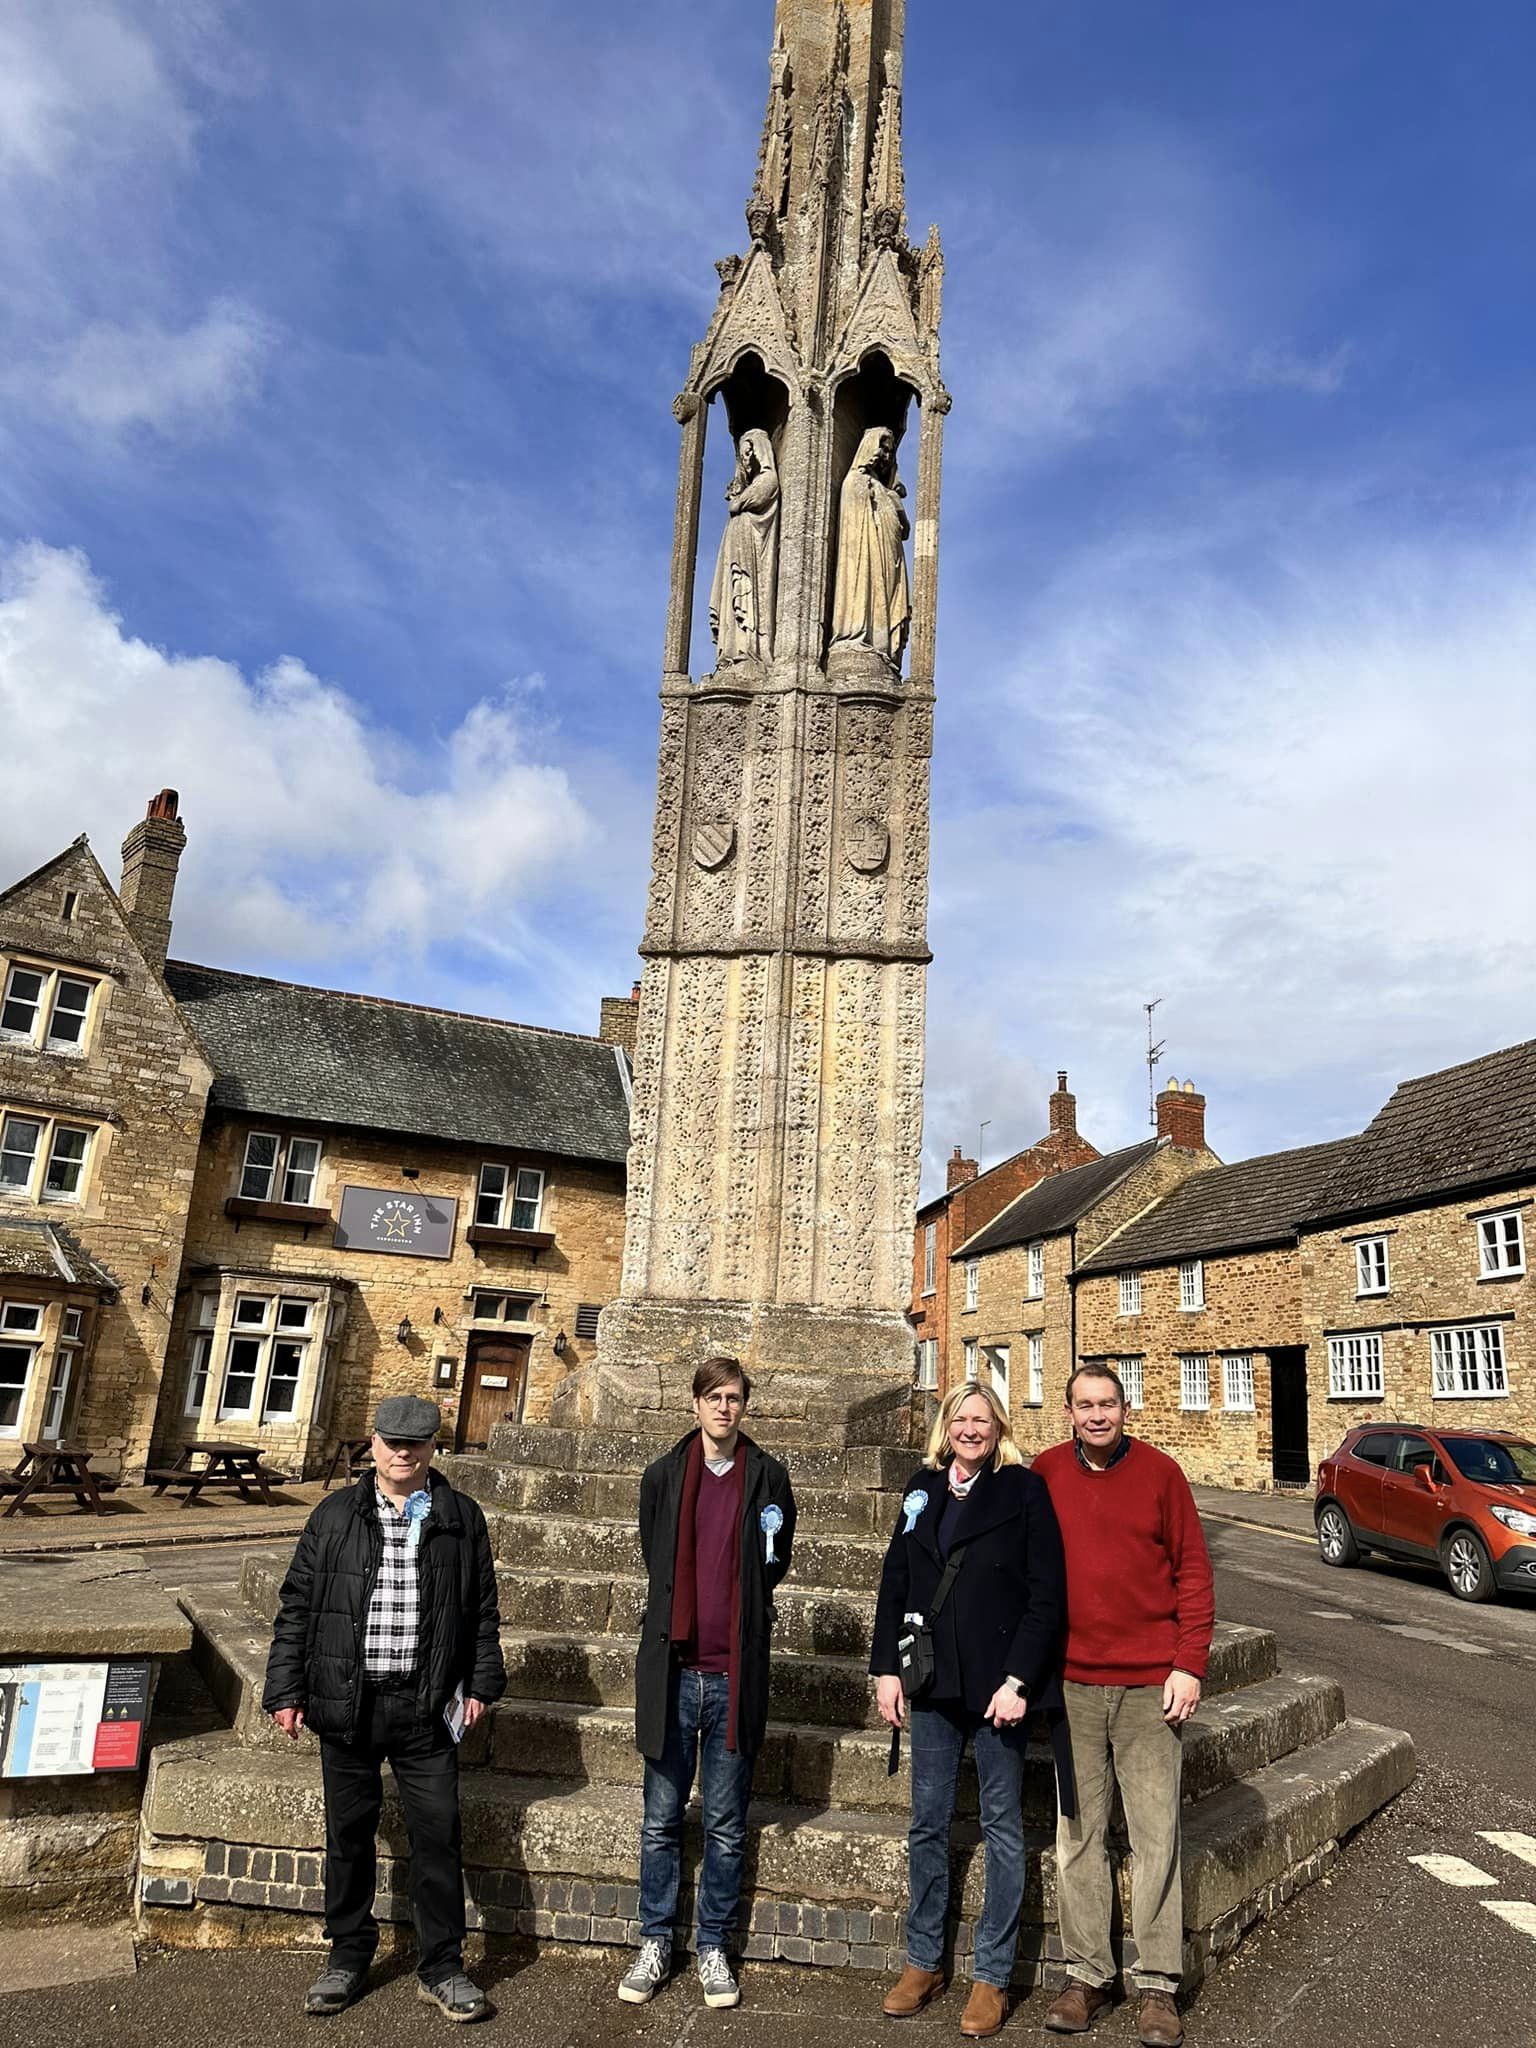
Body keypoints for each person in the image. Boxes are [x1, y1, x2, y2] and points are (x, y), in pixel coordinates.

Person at [263, 1396, 505, 2023]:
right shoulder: (334, 1515)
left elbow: (480, 1610)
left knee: (437, 1835)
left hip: (428, 1707)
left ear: (433, 1447)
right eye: (392, 1441)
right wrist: (285, 1689)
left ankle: (442, 1967)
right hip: (349, 1700)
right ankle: (347, 1955)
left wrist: (480, 1682)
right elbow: (298, 1607)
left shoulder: (461, 1517)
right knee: (348, 1835)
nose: (404, 1452)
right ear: (372, 1444)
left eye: (416, 1442)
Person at [870, 1383, 1069, 2039]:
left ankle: (991, 1976)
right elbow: (895, 1578)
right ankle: (924, 1961)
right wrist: (884, 1671)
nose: (971, 1429)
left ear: (998, 1427)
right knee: (927, 1824)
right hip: (930, 1683)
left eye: (982, 1419)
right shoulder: (921, 1486)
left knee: (1002, 1827)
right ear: (945, 1426)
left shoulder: (1022, 1490)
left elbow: (1047, 1595)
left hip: (996, 1688)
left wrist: (1019, 1681)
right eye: (961, 1418)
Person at [1033, 1366, 1215, 2048]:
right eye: (1085, 1405)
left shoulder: (1163, 1475)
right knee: (1078, 1835)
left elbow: (1193, 1571)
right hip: (1073, 1685)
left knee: (1155, 1833)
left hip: (1148, 1687)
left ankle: (1159, 1985)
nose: (1097, 1415)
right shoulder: (1045, 1472)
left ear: (1125, 1408)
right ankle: (1086, 1976)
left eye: (1107, 1404)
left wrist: (1188, 1663)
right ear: (1069, 1411)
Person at [617, 1357, 797, 2010]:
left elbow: (775, 1559)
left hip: (733, 1674)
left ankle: (714, 1945)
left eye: (735, 1398)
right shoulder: (664, 1475)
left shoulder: (767, 1476)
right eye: (714, 1397)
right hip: (675, 1672)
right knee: (660, 1820)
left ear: (745, 1406)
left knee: (723, 1824)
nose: (725, 1408)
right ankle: (656, 1939)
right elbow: (654, 1556)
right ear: (694, 1404)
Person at [830, 423, 911, 665]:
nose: (885, 456)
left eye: (889, 451)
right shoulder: (857, 480)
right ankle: (857, 634)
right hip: (864, 548)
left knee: (885, 592)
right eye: (882, 448)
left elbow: (905, 530)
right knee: (865, 587)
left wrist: (894, 503)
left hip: (888, 550)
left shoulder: (883, 489)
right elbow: (853, 522)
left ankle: (879, 642)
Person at [708, 427, 780, 664]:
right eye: (742, 455)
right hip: (738, 545)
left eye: (748, 452)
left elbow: (736, 505)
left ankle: (749, 648)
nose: (746, 459)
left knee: (746, 594)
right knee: (733, 594)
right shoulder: (754, 483)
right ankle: (732, 649)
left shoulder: (767, 480)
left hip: (751, 548)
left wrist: (738, 499)